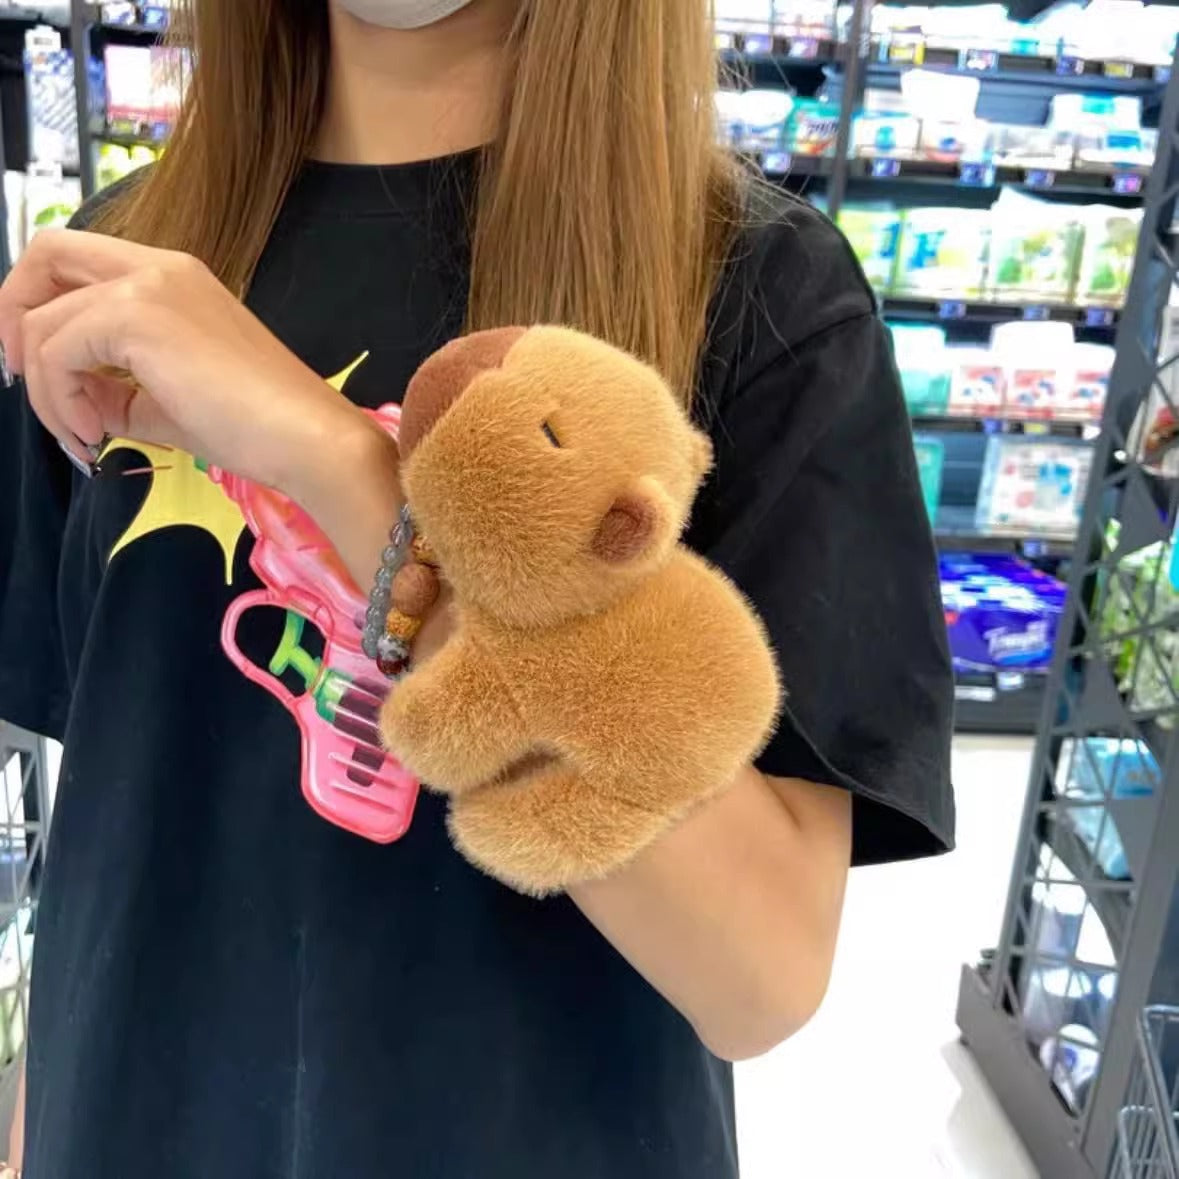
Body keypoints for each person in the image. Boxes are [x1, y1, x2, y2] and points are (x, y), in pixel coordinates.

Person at [0, 2, 955, 1176]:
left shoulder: (757, 294)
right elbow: (111, 825)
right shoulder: (124, 271)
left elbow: (758, 975)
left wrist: (341, 468)